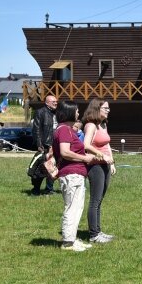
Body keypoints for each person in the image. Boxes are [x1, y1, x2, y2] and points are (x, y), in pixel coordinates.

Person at [53, 101, 95, 251]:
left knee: (77, 208)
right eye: (77, 111)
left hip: (75, 174)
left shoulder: (68, 130)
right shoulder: (64, 130)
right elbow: (64, 152)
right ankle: (68, 243)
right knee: (72, 208)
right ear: (69, 112)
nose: (78, 113)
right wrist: (85, 158)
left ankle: (72, 238)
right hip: (71, 175)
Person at [82, 99, 116, 244]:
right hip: (95, 166)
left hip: (105, 165)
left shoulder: (102, 124)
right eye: (105, 108)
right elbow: (86, 145)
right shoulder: (90, 125)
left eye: (108, 108)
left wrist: (112, 162)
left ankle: (98, 231)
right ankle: (94, 235)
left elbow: (107, 145)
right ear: (97, 109)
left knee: (99, 200)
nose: (108, 110)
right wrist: (101, 156)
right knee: (95, 201)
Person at [31, 95, 58, 195]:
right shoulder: (40, 112)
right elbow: (36, 129)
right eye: (53, 102)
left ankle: (49, 189)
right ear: (47, 102)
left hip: (55, 145)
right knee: (40, 168)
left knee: (52, 167)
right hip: (45, 145)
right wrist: (39, 144)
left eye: (56, 101)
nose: (55, 103)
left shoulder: (56, 113)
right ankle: (36, 189)